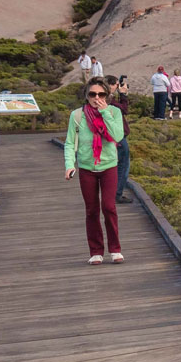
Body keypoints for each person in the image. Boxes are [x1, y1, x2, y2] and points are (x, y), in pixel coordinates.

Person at [64, 80, 127, 265]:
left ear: (107, 96)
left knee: (109, 207)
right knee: (91, 210)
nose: (97, 98)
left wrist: (105, 112)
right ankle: (96, 251)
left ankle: (115, 249)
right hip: (86, 168)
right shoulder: (77, 115)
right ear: (87, 96)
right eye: (93, 94)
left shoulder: (114, 112)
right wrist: (69, 164)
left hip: (109, 166)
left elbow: (117, 136)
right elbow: (70, 143)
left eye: (101, 94)